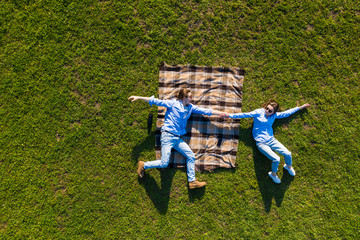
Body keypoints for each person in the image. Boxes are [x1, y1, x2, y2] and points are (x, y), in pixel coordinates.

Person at [128, 88, 228, 189]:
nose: (192, 98)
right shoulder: (173, 104)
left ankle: (192, 181)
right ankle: (144, 165)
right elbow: (155, 101)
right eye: (190, 97)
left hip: (176, 138)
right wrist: (138, 97)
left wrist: (220, 113)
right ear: (184, 98)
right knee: (164, 163)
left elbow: (206, 111)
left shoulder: (190, 108)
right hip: (167, 135)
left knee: (190, 156)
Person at [221, 100, 310, 184]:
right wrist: (229, 115)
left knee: (288, 153)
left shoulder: (274, 116)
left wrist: (300, 107)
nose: (267, 111)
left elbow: (286, 113)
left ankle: (288, 166)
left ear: (274, 112)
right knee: (276, 159)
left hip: (271, 140)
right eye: (266, 108)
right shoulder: (259, 112)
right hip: (261, 143)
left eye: (270, 110)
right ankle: (273, 174)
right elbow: (245, 115)